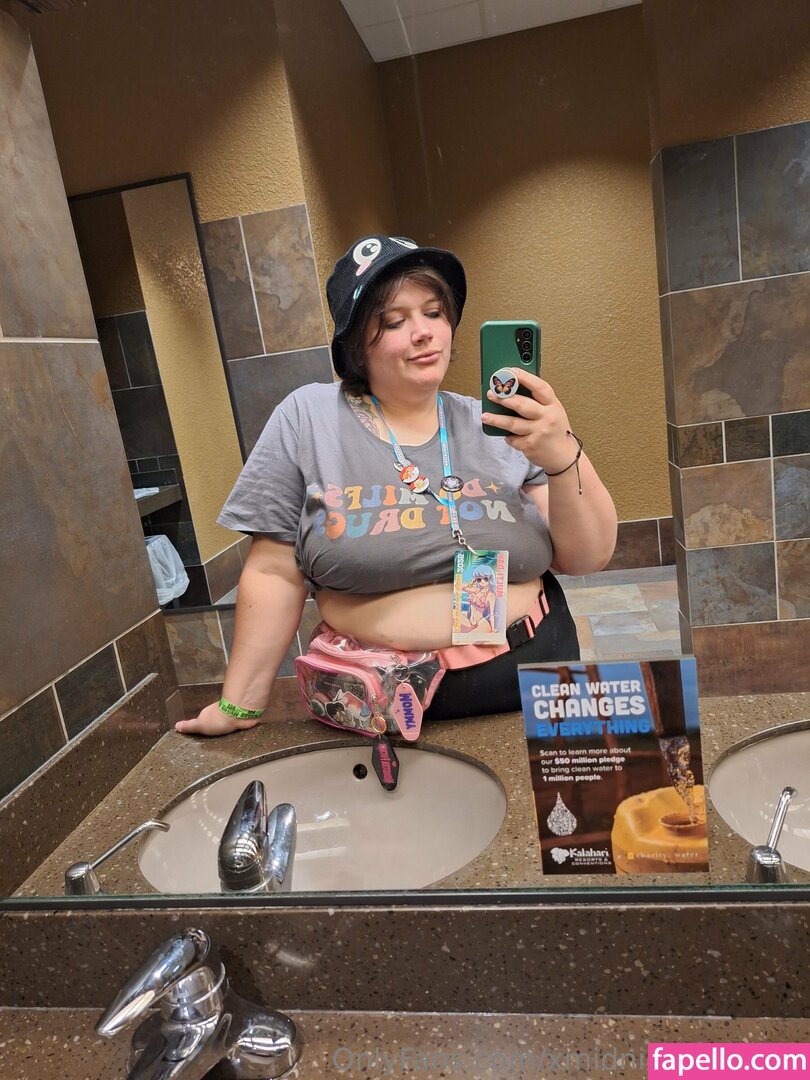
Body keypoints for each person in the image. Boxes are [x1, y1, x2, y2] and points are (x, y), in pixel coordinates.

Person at [176, 235, 617, 736]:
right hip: (376, 703)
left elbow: (586, 557)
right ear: (354, 343)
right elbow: (275, 571)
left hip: (533, 674)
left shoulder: (500, 426)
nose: (424, 333)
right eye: (393, 321)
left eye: (434, 313)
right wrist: (240, 704)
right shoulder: (308, 419)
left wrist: (561, 455)